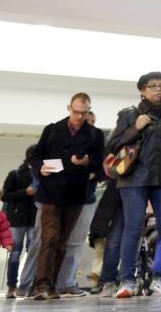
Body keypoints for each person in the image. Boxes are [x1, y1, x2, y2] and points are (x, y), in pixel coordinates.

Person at [106, 72, 161, 297]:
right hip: (134, 179)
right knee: (132, 228)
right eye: (152, 86)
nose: (158, 89)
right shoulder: (129, 114)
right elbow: (113, 145)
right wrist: (136, 128)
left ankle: (160, 279)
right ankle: (127, 280)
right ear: (142, 90)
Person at [28, 92, 105, 300]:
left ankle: (52, 285)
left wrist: (87, 163)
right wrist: (40, 168)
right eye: (76, 111)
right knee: (49, 237)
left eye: (84, 112)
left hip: (76, 193)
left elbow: (101, 165)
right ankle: (41, 285)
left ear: (89, 110)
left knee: (63, 240)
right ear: (69, 108)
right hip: (51, 191)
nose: (80, 116)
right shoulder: (52, 130)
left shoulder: (95, 135)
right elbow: (36, 156)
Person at [55, 110, 100, 298]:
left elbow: (104, 171)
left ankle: (68, 283)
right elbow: (48, 166)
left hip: (86, 199)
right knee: (55, 241)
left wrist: (91, 168)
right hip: (60, 199)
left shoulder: (97, 144)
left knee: (76, 243)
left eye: (92, 122)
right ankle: (49, 283)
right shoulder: (60, 138)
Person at [2, 145, 38, 299]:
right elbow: (5, 196)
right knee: (15, 253)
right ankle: (11, 285)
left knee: (33, 252)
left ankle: (29, 284)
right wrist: (25, 192)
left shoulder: (43, 174)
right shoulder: (15, 174)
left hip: (35, 217)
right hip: (17, 218)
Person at [89, 176, 123, 297]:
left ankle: (99, 278)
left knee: (100, 255)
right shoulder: (114, 189)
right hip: (103, 229)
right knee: (105, 252)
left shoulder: (107, 189)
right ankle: (101, 278)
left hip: (99, 229)